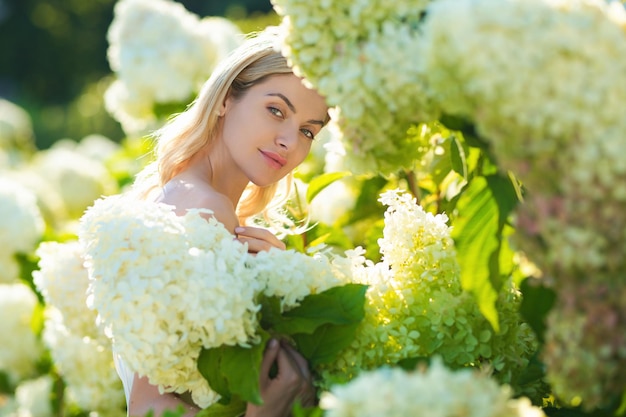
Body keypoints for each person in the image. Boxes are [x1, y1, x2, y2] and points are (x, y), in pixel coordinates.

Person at [115, 26, 330, 417]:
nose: (290, 142)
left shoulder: (182, 196)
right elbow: (149, 406)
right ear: (226, 99)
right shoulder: (205, 210)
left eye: (307, 131)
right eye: (276, 110)